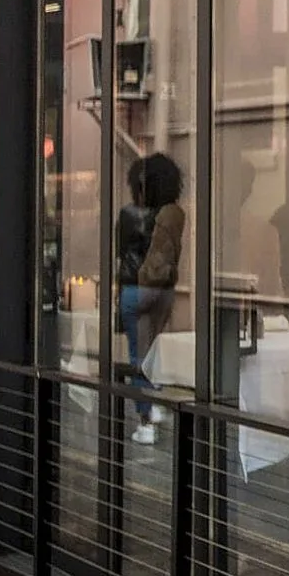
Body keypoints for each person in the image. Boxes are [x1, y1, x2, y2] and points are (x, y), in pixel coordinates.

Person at [118, 153, 186, 443]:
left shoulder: (128, 214)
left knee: (137, 356)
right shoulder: (173, 215)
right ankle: (155, 401)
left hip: (135, 289)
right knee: (153, 351)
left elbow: (120, 249)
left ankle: (145, 420)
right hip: (165, 290)